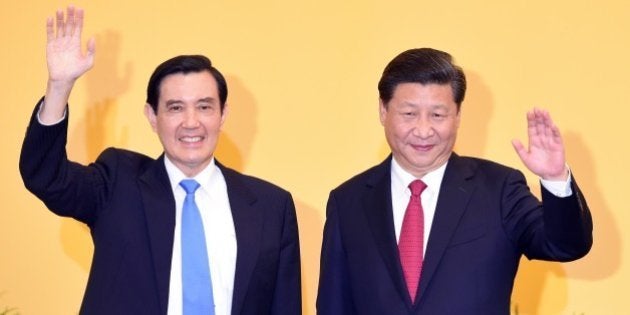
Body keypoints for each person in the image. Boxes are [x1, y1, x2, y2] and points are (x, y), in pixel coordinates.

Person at [19, 6, 301, 315]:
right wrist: (59, 87)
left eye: (205, 107)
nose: (191, 122)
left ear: (223, 114)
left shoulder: (272, 207)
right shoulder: (117, 183)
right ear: (152, 116)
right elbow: (46, 176)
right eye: (176, 108)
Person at [316, 48, 592, 314]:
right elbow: (333, 305)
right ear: (383, 111)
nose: (423, 131)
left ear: (458, 115)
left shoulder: (499, 190)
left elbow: (565, 245)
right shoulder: (348, 202)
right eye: (409, 114)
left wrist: (555, 179)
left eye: (437, 115)